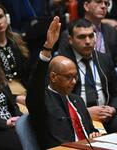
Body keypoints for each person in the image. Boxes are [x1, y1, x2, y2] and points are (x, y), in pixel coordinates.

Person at [26, 16, 100, 149]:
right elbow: (36, 82)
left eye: (75, 77)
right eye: (68, 77)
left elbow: (91, 130)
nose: (73, 82)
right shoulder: (41, 100)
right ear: (53, 77)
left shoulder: (77, 100)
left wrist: (94, 133)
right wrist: (48, 47)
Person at [59, 18, 117, 133]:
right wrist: (85, 113)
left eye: (91, 36)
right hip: (77, 120)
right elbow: (57, 102)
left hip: (107, 117)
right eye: (81, 37)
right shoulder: (63, 63)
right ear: (70, 40)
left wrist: (112, 109)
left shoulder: (104, 59)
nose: (88, 41)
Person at [0, 1, 29, 105]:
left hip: (24, 90)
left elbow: (28, 73)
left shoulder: (17, 41)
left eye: (0, 16)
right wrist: (15, 98)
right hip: (2, 95)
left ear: (6, 18)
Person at [59, 0, 117, 67]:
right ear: (86, 6)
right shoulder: (68, 34)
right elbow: (64, 66)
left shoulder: (112, 32)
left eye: (106, 3)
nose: (103, 6)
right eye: (98, 2)